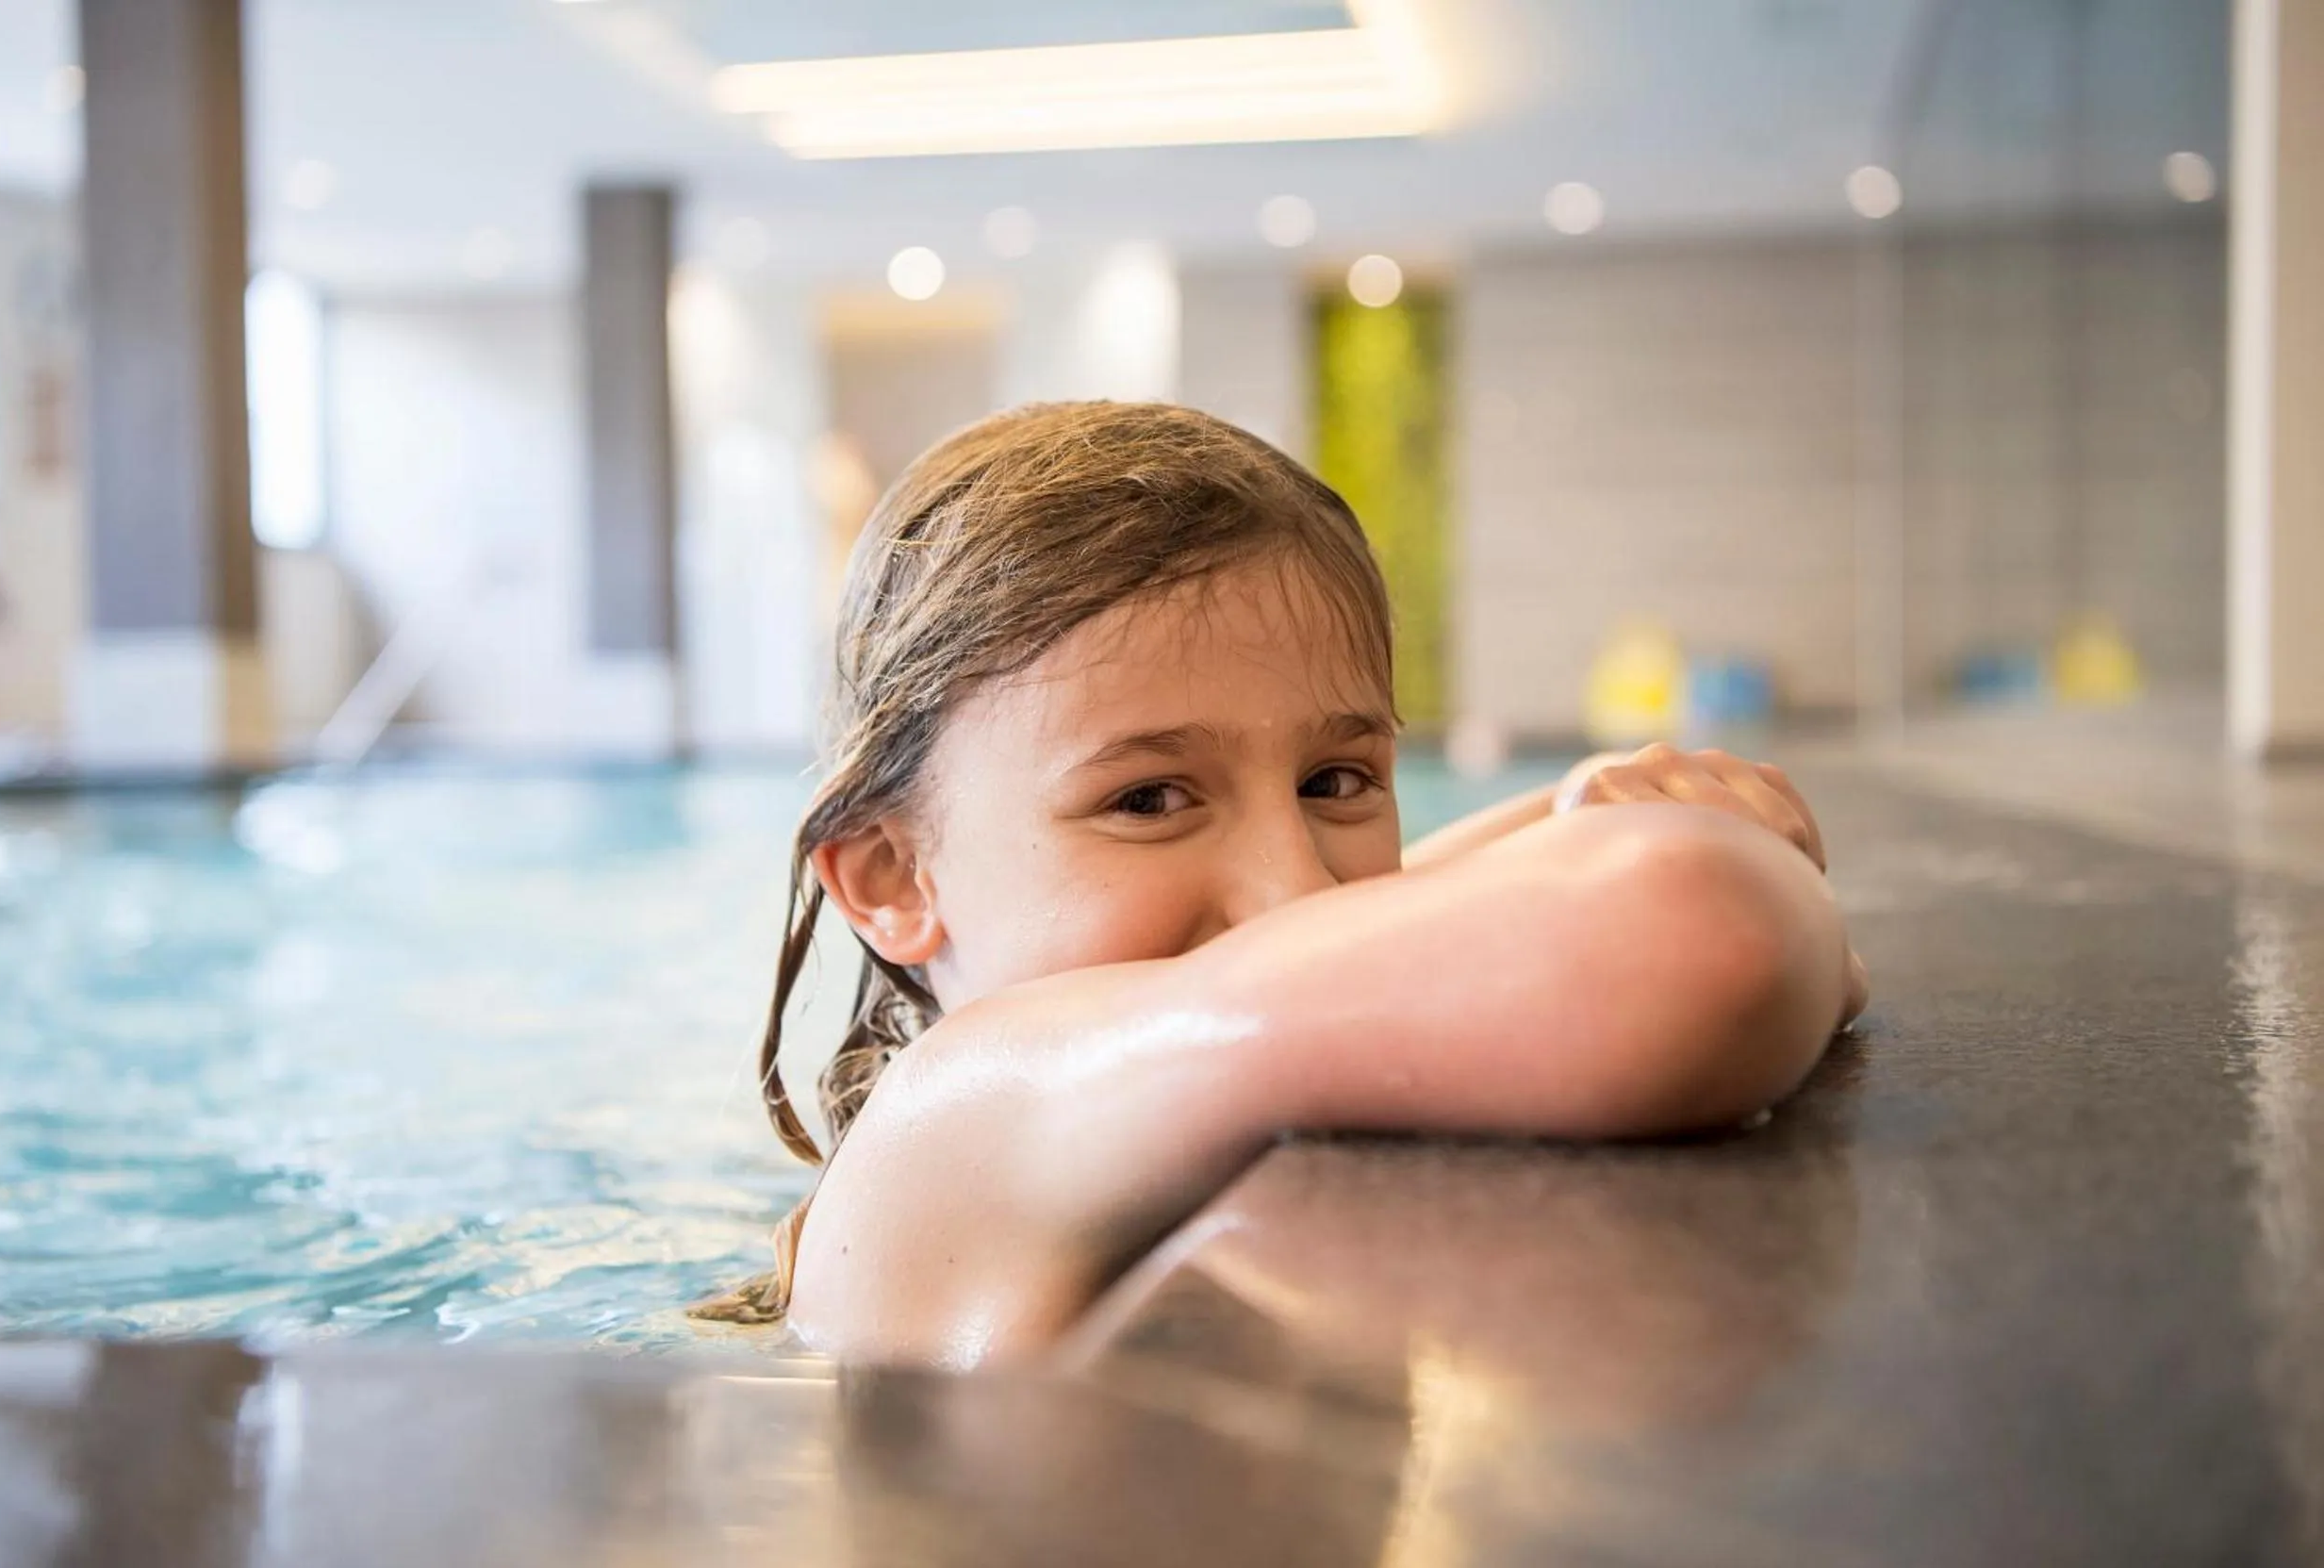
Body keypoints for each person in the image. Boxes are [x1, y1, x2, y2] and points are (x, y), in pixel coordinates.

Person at [696, 402, 1866, 1365]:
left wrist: (1590, 801)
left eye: (1336, 778)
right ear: (894, 876)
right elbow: (1698, 938)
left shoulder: (1130, 1059)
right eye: (1150, 800)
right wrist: (1729, 867)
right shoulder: (971, 1110)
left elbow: (1338, 936)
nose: (1296, 887)